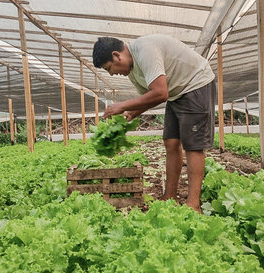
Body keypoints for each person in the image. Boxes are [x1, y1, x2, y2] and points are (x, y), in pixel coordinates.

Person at [92, 34, 216, 213]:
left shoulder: (145, 50)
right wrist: (131, 113)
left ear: (117, 55)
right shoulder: (133, 71)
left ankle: (193, 204)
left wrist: (121, 106)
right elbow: (150, 98)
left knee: (193, 146)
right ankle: (170, 196)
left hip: (195, 84)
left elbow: (160, 93)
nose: (112, 73)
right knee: (171, 142)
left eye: (109, 68)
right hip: (176, 92)